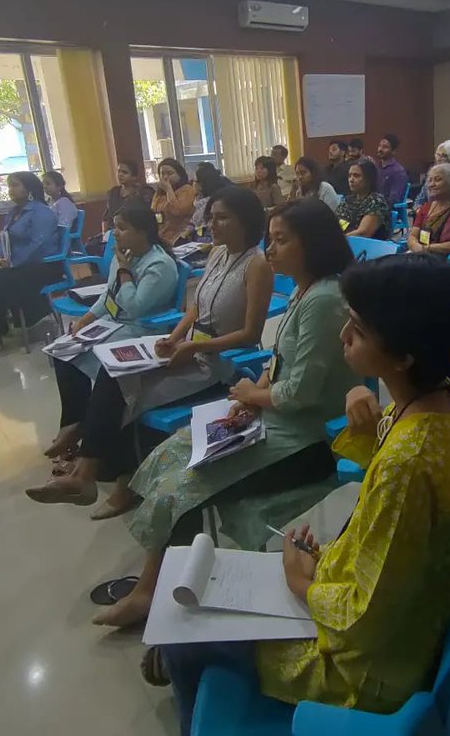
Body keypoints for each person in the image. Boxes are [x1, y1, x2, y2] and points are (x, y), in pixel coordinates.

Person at [152, 254, 450, 735]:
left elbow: (366, 620)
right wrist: (368, 423)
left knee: (184, 636)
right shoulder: (439, 400)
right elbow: (397, 510)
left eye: (358, 329)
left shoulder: (411, 460)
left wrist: (302, 584)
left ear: (404, 356)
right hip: (374, 600)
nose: (343, 336)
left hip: (364, 667)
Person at [87, 199, 359, 630]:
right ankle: (172, 580)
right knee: (172, 453)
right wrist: (252, 397)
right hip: (273, 419)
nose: (270, 250)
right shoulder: (306, 289)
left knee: (182, 487)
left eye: (282, 241)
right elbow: (279, 364)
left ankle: (149, 592)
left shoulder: (324, 300)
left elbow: (299, 393)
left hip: (306, 440)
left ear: (314, 244)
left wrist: (255, 393)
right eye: (270, 239)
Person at [25, 187, 273, 514]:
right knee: (112, 370)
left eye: (222, 218)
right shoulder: (217, 254)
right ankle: (92, 473)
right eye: (211, 217)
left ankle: (112, 477)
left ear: (246, 222)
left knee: (129, 392)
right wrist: (176, 337)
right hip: (188, 348)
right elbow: (195, 310)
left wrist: (191, 347)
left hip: (216, 362)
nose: (212, 224)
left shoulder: (257, 265)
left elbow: (250, 333)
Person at [34, 202, 180, 470]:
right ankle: (72, 425)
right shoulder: (122, 256)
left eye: (123, 228)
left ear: (144, 232)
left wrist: (125, 272)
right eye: (115, 227)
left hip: (142, 329)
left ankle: (86, 435)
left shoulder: (159, 265)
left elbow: (135, 306)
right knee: (64, 352)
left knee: (102, 364)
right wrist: (85, 321)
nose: (116, 233)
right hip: (114, 324)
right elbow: (108, 296)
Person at [0, 172, 60, 364]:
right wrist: (0, 259)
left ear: (29, 188)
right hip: (15, 265)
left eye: (15, 185)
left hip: (41, 266)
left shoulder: (42, 212)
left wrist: (13, 263)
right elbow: (4, 238)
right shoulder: (14, 212)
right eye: (9, 186)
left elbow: (38, 244)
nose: (10, 190)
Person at [338, 158, 392, 239]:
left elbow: (363, 233)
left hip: (369, 248)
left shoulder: (377, 201)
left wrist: (337, 240)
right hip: (345, 243)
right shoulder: (347, 200)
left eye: (356, 175)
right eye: (349, 175)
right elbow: (334, 225)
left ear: (368, 178)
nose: (351, 180)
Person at [152, 158, 197, 246]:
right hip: (161, 236)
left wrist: (169, 189)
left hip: (179, 238)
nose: (165, 177)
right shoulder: (160, 192)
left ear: (179, 175)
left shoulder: (187, 190)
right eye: (162, 174)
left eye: (170, 173)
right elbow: (153, 209)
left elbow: (177, 211)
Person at [183, 162, 231, 241]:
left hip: (209, 239)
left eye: (194, 181)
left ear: (201, 184)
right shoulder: (198, 200)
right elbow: (192, 223)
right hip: (197, 238)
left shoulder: (215, 203)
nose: (191, 184)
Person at [374, 134, 409, 208]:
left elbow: (394, 200)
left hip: (388, 210)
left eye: (385, 147)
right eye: (380, 146)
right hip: (374, 207)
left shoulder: (398, 172)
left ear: (393, 151)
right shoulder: (377, 168)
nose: (380, 149)